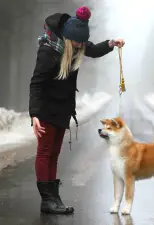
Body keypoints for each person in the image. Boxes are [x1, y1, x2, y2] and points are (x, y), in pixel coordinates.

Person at [28, 6, 125, 215]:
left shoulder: (77, 43)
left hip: (63, 108)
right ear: (68, 38)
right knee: (44, 152)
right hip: (46, 108)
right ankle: (47, 200)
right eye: (78, 42)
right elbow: (36, 83)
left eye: (83, 42)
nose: (81, 46)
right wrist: (34, 114)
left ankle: (54, 198)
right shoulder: (49, 50)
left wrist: (111, 43)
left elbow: (93, 50)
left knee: (55, 153)